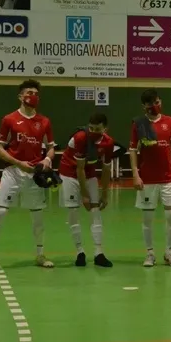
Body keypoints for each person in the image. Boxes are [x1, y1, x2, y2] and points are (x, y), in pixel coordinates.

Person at [0, 79, 55, 272]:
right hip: (13, 172)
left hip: (34, 175)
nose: (33, 96)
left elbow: (51, 147)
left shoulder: (44, 121)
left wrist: (47, 160)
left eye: (36, 94)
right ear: (20, 96)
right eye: (29, 93)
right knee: (1, 212)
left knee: (38, 217)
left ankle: (40, 254)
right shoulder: (9, 119)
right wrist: (19, 163)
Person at [130, 89, 171, 268]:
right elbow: (133, 150)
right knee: (148, 218)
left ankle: (169, 253)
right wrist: (135, 174)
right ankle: (150, 253)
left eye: (157, 102)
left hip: (168, 177)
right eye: (150, 104)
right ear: (144, 106)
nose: (155, 106)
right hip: (147, 179)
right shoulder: (139, 124)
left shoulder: (170, 121)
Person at [59, 112, 115, 268]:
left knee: (95, 210)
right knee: (73, 210)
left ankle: (98, 252)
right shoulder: (80, 138)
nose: (93, 131)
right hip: (69, 173)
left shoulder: (108, 143)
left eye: (97, 129)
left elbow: (106, 169)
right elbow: (80, 169)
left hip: (90, 174)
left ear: (105, 129)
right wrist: (84, 195)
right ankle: (80, 252)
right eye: (91, 128)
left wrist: (105, 194)